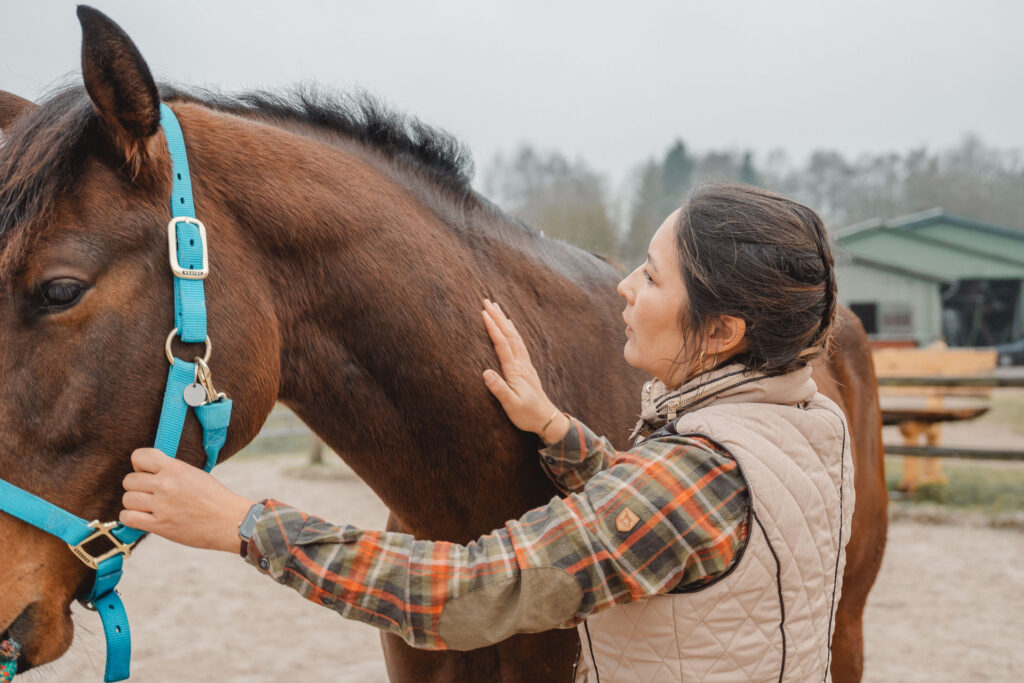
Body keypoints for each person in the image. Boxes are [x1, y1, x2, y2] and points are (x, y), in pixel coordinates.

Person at [121, 183, 854, 682]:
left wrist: (244, 524)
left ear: (723, 330)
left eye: (654, 278)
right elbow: (687, 534)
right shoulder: (810, 424)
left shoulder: (691, 479)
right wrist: (557, 428)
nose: (625, 286)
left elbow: (467, 594)